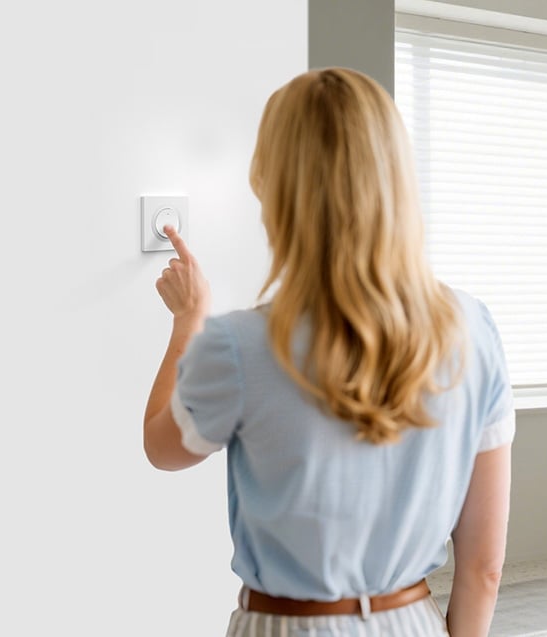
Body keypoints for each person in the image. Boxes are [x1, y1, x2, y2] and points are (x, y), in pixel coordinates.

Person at [143, 68, 514, 637]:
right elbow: (484, 568)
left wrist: (189, 322)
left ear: (272, 187)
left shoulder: (239, 345)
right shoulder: (473, 329)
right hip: (413, 623)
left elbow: (163, 448)